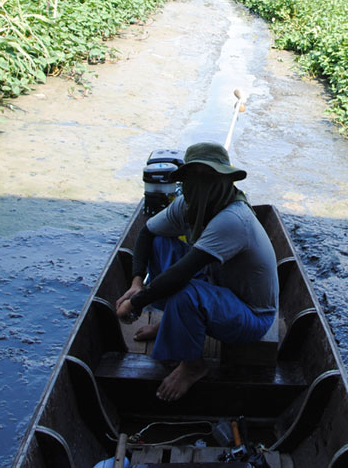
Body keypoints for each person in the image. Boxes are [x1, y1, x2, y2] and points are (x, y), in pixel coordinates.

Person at [115, 142, 278, 401]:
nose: (201, 185)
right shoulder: (187, 204)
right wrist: (137, 282)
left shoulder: (233, 219)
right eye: (194, 177)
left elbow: (183, 272)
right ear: (186, 181)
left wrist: (136, 303)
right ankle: (172, 322)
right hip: (217, 284)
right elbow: (147, 231)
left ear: (225, 180)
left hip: (251, 314)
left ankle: (193, 366)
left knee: (186, 293)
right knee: (161, 242)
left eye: (210, 177)